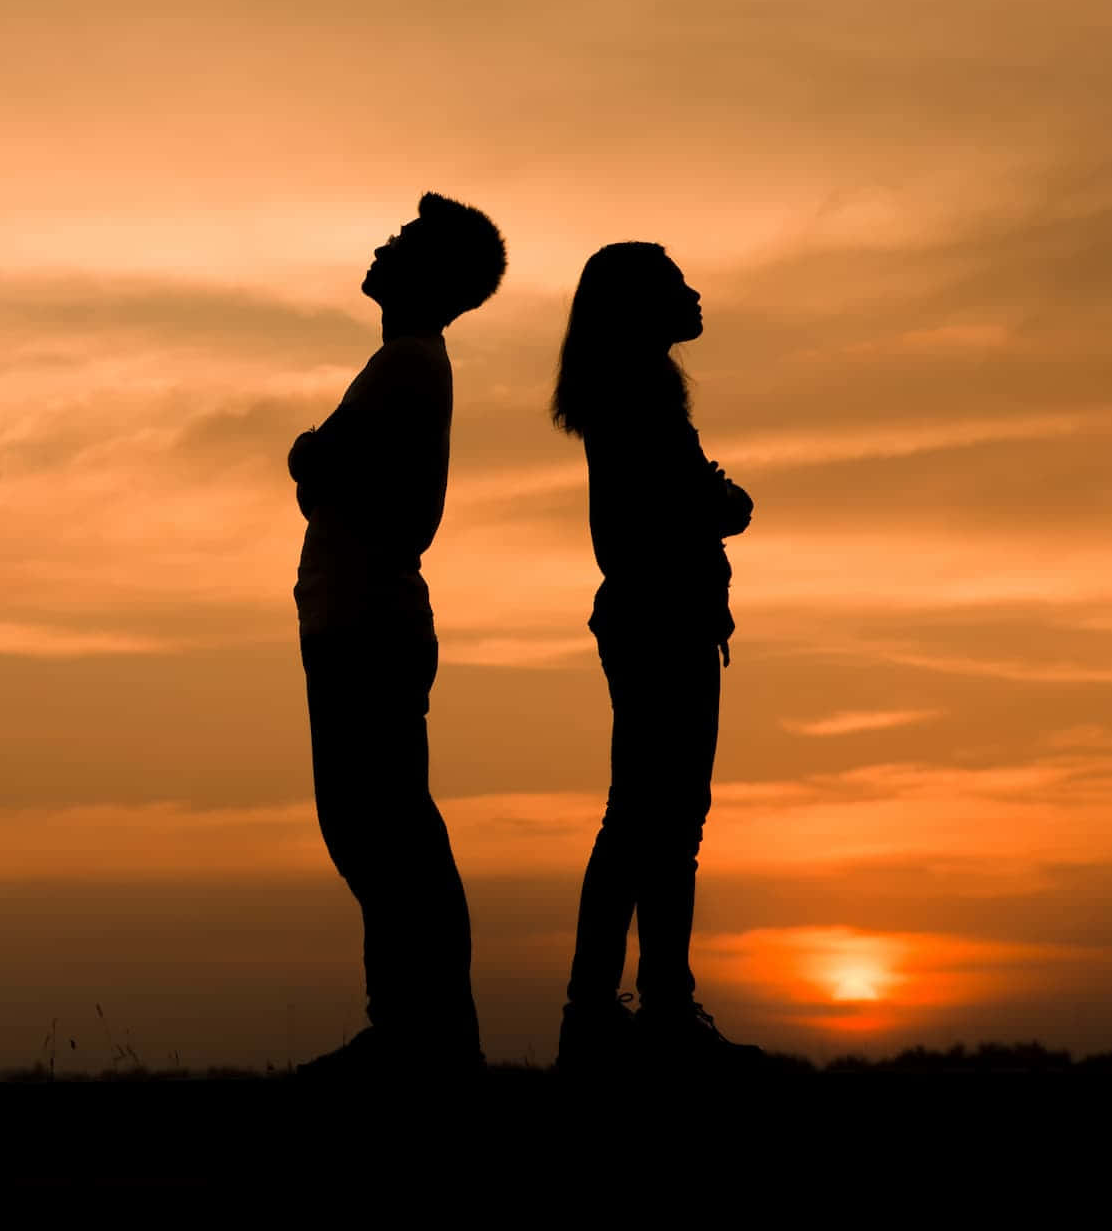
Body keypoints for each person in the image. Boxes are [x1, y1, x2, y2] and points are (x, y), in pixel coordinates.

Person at [288, 192, 507, 1080]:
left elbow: (320, 467)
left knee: (386, 832)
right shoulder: (402, 365)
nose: (385, 244)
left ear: (433, 274)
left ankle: (424, 1034)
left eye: (407, 240)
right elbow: (322, 470)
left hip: (367, 623)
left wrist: (312, 455)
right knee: (376, 830)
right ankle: (416, 1029)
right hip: (356, 619)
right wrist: (316, 460)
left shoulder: (408, 366)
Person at [551, 242, 763, 1071]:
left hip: (661, 621)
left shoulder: (636, 397)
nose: (695, 293)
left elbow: (695, 498)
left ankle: (633, 1010)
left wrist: (713, 501)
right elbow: (696, 503)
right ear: (642, 306)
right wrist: (722, 501)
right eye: (675, 283)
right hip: (660, 624)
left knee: (657, 820)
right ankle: (627, 1012)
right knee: (653, 821)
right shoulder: (638, 401)